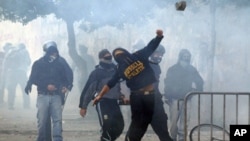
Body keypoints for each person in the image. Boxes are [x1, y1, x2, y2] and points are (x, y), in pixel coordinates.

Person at [93, 29, 173, 141]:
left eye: (120, 53)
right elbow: (110, 83)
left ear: (126, 52)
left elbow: (151, 47)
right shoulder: (120, 69)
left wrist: (159, 37)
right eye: (117, 55)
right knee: (137, 127)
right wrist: (100, 95)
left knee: (161, 126)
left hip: (152, 97)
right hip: (137, 98)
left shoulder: (139, 55)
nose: (119, 55)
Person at [25, 41, 73, 141]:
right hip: (43, 95)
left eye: (55, 51)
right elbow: (34, 78)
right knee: (42, 121)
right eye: (51, 52)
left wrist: (66, 86)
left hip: (57, 96)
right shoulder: (39, 63)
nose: (53, 54)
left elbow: (67, 76)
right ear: (46, 52)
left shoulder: (61, 62)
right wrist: (46, 86)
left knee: (57, 121)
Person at [79, 49, 126, 141]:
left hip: (114, 102)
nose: (109, 59)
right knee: (107, 126)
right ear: (101, 59)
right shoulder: (96, 73)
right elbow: (88, 90)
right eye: (106, 57)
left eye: (110, 57)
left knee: (120, 126)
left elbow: (119, 86)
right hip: (102, 102)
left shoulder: (116, 70)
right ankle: (105, 138)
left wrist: (121, 95)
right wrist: (83, 106)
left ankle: (107, 139)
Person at [164, 48, 204, 141]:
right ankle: (173, 138)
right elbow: (168, 83)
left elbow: (199, 81)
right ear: (180, 57)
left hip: (187, 98)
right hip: (175, 99)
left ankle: (182, 139)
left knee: (185, 122)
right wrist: (168, 96)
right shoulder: (172, 69)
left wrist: (197, 90)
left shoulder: (192, 69)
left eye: (188, 57)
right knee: (173, 122)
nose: (186, 58)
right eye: (184, 56)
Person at [1, 43, 31, 109]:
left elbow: (6, 62)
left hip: (12, 73)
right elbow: (29, 62)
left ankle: (10, 105)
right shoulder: (25, 52)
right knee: (25, 89)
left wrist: (5, 72)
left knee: (11, 89)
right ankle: (26, 105)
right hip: (22, 72)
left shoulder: (11, 51)